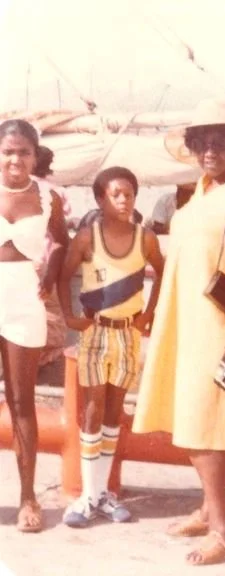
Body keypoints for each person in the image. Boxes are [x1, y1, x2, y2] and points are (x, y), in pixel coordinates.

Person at [132, 98, 225, 566]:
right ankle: (208, 506)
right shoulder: (200, 191)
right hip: (190, 325)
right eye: (200, 143)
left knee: (206, 428)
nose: (209, 150)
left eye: (219, 142)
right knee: (194, 419)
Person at [57, 166, 164, 528]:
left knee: (114, 411)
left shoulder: (146, 238)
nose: (123, 200)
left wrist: (149, 313)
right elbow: (63, 273)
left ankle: (102, 494)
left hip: (127, 335)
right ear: (101, 199)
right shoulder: (88, 237)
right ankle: (87, 496)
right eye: (115, 194)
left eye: (129, 193)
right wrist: (70, 317)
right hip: (95, 333)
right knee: (92, 408)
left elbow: (162, 271)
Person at [0, 119, 69, 532]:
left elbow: (59, 239)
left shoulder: (48, 196)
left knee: (22, 400)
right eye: (8, 151)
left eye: (23, 152)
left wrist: (49, 275)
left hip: (24, 296)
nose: (15, 159)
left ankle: (28, 497)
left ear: (35, 155)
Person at [32, 146, 72, 368]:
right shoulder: (56, 192)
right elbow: (62, 233)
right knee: (50, 316)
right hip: (46, 263)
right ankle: (41, 361)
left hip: (19, 264)